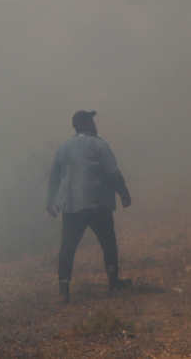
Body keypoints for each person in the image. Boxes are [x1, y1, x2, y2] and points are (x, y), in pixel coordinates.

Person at [46, 109, 132, 304]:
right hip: (98, 203)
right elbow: (113, 173)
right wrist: (124, 193)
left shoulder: (64, 147)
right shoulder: (99, 144)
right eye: (92, 121)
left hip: (72, 205)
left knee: (68, 247)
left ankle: (64, 288)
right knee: (108, 242)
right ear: (85, 124)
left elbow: (54, 176)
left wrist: (50, 201)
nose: (95, 125)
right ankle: (113, 281)